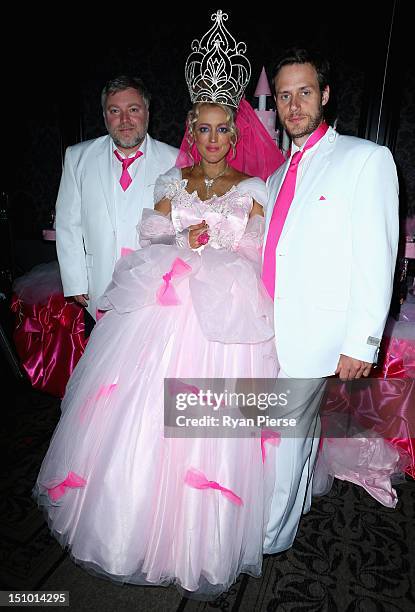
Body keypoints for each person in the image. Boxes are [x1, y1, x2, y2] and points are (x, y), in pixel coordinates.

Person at [33, 11, 284, 599]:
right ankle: (131, 525)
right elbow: (152, 233)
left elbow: (257, 246)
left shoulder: (253, 187)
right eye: (204, 129)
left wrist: (219, 240)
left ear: (237, 132)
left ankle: (199, 535)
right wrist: (182, 238)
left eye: (224, 129)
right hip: (165, 303)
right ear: (191, 131)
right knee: (139, 416)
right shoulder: (173, 182)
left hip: (221, 312)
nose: (213, 140)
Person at [262, 48, 399, 554]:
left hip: (317, 334)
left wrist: (363, 340)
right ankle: (290, 513)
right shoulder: (278, 177)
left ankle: (267, 539)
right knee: (292, 435)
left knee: (283, 440)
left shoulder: (365, 159)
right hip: (273, 327)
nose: (294, 104)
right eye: (284, 95)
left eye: (304, 91)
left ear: (324, 94)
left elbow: (377, 255)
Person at [55, 76, 178, 321]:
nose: (124, 120)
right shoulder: (77, 158)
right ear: (104, 116)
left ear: (147, 112)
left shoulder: (174, 160)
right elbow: (68, 223)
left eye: (133, 109)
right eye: (115, 111)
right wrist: (75, 279)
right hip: (97, 285)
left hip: (151, 290)